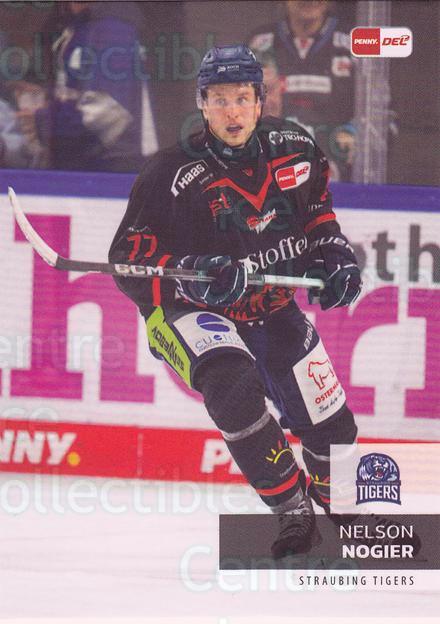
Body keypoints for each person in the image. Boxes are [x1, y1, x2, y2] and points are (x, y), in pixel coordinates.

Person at [109, 45, 412, 559]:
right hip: (185, 311)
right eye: (220, 99)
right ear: (202, 103)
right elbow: (126, 260)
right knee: (233, 385)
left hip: (267, 304)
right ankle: (293, 512)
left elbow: (317, 216)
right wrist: (192, 277)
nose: (232, 112)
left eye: (242, 98)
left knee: (330, 421)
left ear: (260, 100)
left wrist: (335, 255)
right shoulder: (169, 174)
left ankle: (344, 506)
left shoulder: (295, 148)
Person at [14, 1, 157, 172]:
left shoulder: (113, 26)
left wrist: (40, 120)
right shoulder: (78, 24)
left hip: (111, 170)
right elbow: (77, 94)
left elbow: (106, 110)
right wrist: (45, 98)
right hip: (82, 165)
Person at [249, 0, 355, 181]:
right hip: (273, 173)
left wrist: (355, 134)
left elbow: (383, 116)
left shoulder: (354, 42)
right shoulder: (259, 43)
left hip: (342, 180)